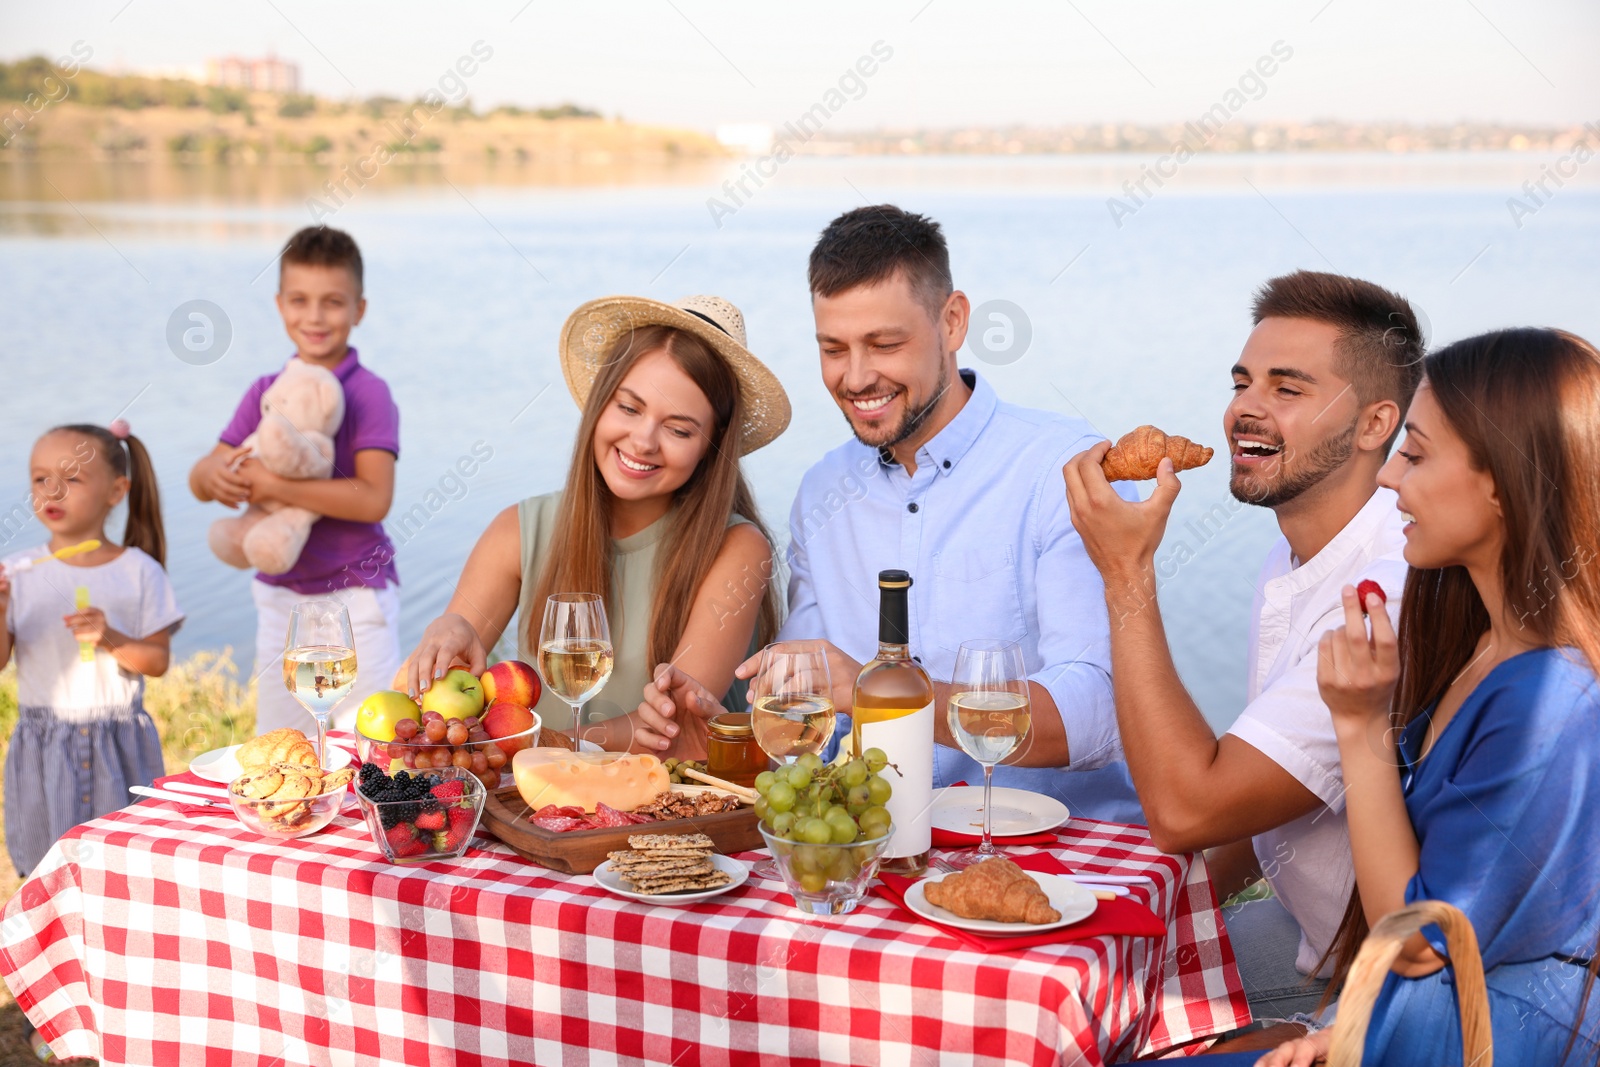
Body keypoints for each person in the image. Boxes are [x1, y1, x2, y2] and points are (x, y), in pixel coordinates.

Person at [632, 204, 1141, 822]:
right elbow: (807, 719)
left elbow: (1099, 712)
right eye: (832, 348)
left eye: (885, 344)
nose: (856, 377)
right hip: (882, 854)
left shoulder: (1065, 470)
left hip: (1065, 851)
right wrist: (723, 739)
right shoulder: (822, 491)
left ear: (952, 322)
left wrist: (892, 697)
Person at [1062, 270, 1421, 1024]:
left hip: (1390, 986)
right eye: (1242, 381)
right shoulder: (1294, 551)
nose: (1244, 409)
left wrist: (1126, 574)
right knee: (1072, 981)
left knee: (1107, 1021)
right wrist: (1112, 911)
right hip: (1311, 935)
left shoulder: (1384, 594)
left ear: (1372, 422)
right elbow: (1255, 806)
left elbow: (1190, 807)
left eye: (1287, 389)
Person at [1252, 328, 1600, 1066]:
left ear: (1502, 480)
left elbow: (1412, 942)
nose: (1387, 478)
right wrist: (1330, 1030)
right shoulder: (1479, 644)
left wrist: (1359, 726)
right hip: (1395, 1024)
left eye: (1415, 451)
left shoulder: (1550, 696)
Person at [396, 294, 786, 749]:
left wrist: (544, 746)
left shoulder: (737, 549)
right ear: (601, 403)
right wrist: (447, 635)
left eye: (679, 430)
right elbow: (429, 701)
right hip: (537, 807)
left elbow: (674, 731)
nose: (642, 441)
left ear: (711, 445)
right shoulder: (520, 531)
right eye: (629, 408)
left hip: (672, 808)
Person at [189, 225, 401, 733]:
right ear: (281, 304)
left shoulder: (368, 393)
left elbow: (374, 499)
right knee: (284, 745)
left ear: (359, 310)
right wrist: (215, 477)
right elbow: (201, 477)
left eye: (332, 302)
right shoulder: (266, 392)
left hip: (355, 601)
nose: (315, 316)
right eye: (300, 300)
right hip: (281, 600)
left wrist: (276, 488)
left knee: (364, 747)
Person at [0, 421, 182, 874]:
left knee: (122, 867)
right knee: (46, 870)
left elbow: (156, 662)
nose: (52, 491)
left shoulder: (139, 571)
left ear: (117, 490)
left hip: (117, 746)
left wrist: (111, 638)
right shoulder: (17, 572)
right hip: (44, 747)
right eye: (41, 478)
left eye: (72, 478)